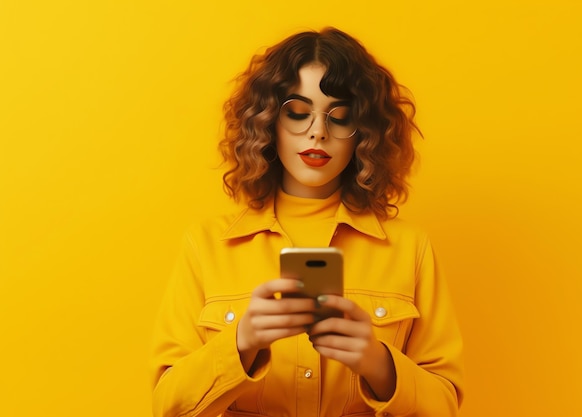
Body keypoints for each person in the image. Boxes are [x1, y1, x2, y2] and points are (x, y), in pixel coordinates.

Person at [150, 27, 463, 417]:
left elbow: (445, 407)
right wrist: (241, 343)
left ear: (363, 132)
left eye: (340, 116)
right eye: (298, 113)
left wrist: (377, 363)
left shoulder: (409, 248)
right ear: (268, 123)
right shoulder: (206, 245)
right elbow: (168, 407)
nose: (318, 131)